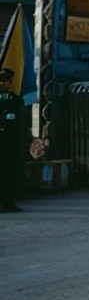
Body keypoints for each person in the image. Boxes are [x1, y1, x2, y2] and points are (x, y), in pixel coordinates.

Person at [0, 67, 25, 211]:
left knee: (9, 174)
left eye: (6, 81)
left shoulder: (15, 100)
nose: (4, 84)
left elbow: (21, 122)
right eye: (1, 81)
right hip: (7, 141)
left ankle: (8, 202)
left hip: (10, 142)